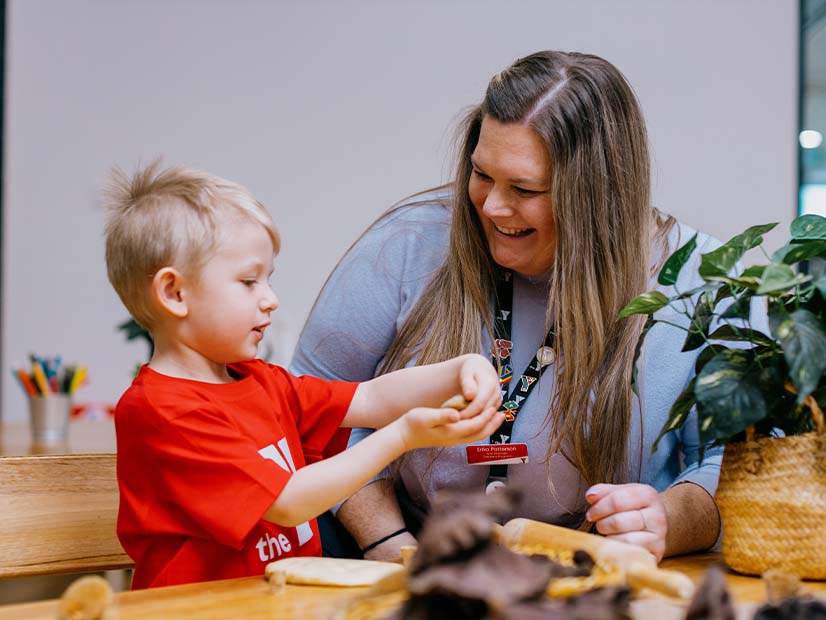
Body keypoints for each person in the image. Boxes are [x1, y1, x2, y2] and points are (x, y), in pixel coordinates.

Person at [290, 50, 723, 564]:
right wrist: (389, 544)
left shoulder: (697, 278)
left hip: (596, 573)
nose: (492, 206)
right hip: (411, 555)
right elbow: (305, 411)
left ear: (597, 197)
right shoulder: (406, 244)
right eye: (481, 175)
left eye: (525, 188)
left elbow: (735, 464)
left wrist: (665, 522)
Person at [103, 162, 504, 589]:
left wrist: (461, 369)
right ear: (174, 293)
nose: (270, 300)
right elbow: (287, 502)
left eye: (268, 280)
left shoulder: (261, 381)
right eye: (248, 281)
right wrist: (402, 436)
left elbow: (368, 399)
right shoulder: (163, 410)